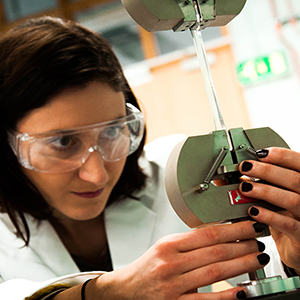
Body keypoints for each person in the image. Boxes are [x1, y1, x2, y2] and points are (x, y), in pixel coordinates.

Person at [0, 15, 297, 300]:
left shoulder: (181, 181)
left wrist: (293, 260)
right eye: (63, 142)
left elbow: (266, 268)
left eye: (113, 133)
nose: (97, 174)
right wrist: (105, 294)